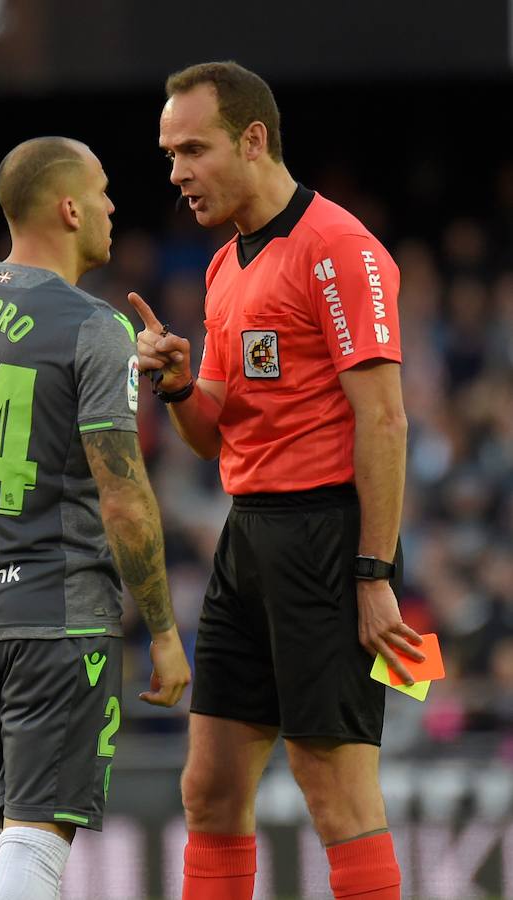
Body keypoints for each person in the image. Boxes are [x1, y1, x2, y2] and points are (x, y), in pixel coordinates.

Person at [131, 61, 425, 900]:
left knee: (333, 790)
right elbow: (211, 436)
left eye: (193, 148)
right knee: (210, 789)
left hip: (329, 540)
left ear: (253, 139)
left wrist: (371, 575)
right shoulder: (227, 266)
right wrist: (182, 382)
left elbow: (384, 420)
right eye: (168, 153)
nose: (177, 171)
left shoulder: (338, 248)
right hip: (248, 537)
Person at [0, 136, 191, 900]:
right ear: (66, 208)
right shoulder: (93, 326)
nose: (111, 206)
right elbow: (123, 496)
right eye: (100, 191)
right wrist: (161, 630)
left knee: (19, 836)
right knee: (36, 845)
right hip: (57, 617)